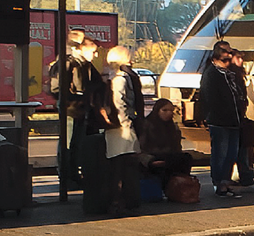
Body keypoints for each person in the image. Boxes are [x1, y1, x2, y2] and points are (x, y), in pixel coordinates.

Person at [48, 32, 104, 190]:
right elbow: (56, 87)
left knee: (76, 144)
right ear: (81, 49)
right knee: (68, 144)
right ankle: (66, 176)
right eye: (93, 51)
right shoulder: (69, 63)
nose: (96, 54)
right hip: (71, 109)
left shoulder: (83, 65)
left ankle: (72, 175)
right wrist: (71, 101)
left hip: (79, 108)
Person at [198, 41, 247, 199]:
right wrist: (208, 115)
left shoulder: (231, 73)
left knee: (231, 154)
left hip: (235, 119)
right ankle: (218, 183)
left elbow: (238, 92)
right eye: (227, 52)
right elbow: (207, 97)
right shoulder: (211, 73)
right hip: (219, 120)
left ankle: (226, 181)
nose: (230, 55)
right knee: (220, 152)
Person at [100, 45, 144, 214]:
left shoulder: (111, 76)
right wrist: (126, 122)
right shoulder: (121, 78)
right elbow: (120, 103)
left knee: (117, 165)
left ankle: (118, 200)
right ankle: (119, 200)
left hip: (114, 127)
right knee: (123, 165)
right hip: (121, 127)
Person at [139, 98, 194, 179]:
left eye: (171, 111)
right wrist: (149, 161)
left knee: (185, 158)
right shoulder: (146, 125)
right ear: (157, 111)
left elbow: (177, 147)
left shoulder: (173, 127)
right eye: (164, 110)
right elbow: (140, 148)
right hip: (152, 156)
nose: (168, 113)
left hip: (169, 155)